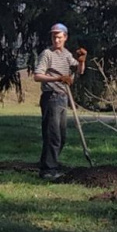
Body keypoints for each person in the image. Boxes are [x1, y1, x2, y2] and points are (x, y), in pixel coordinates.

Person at [34, 23, 87, 180]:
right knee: (53, 135)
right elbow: (37, 76)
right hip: (51, 96)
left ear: (65, 38)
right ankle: (48, 170)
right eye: (53, 37)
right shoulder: (47, 54)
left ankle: (48, 164)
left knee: (61, 136)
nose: (56, 40)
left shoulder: (66, 54)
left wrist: (82, 60)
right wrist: (57, 78)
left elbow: (79, 70)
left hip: (63, 97)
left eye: (59, 37)